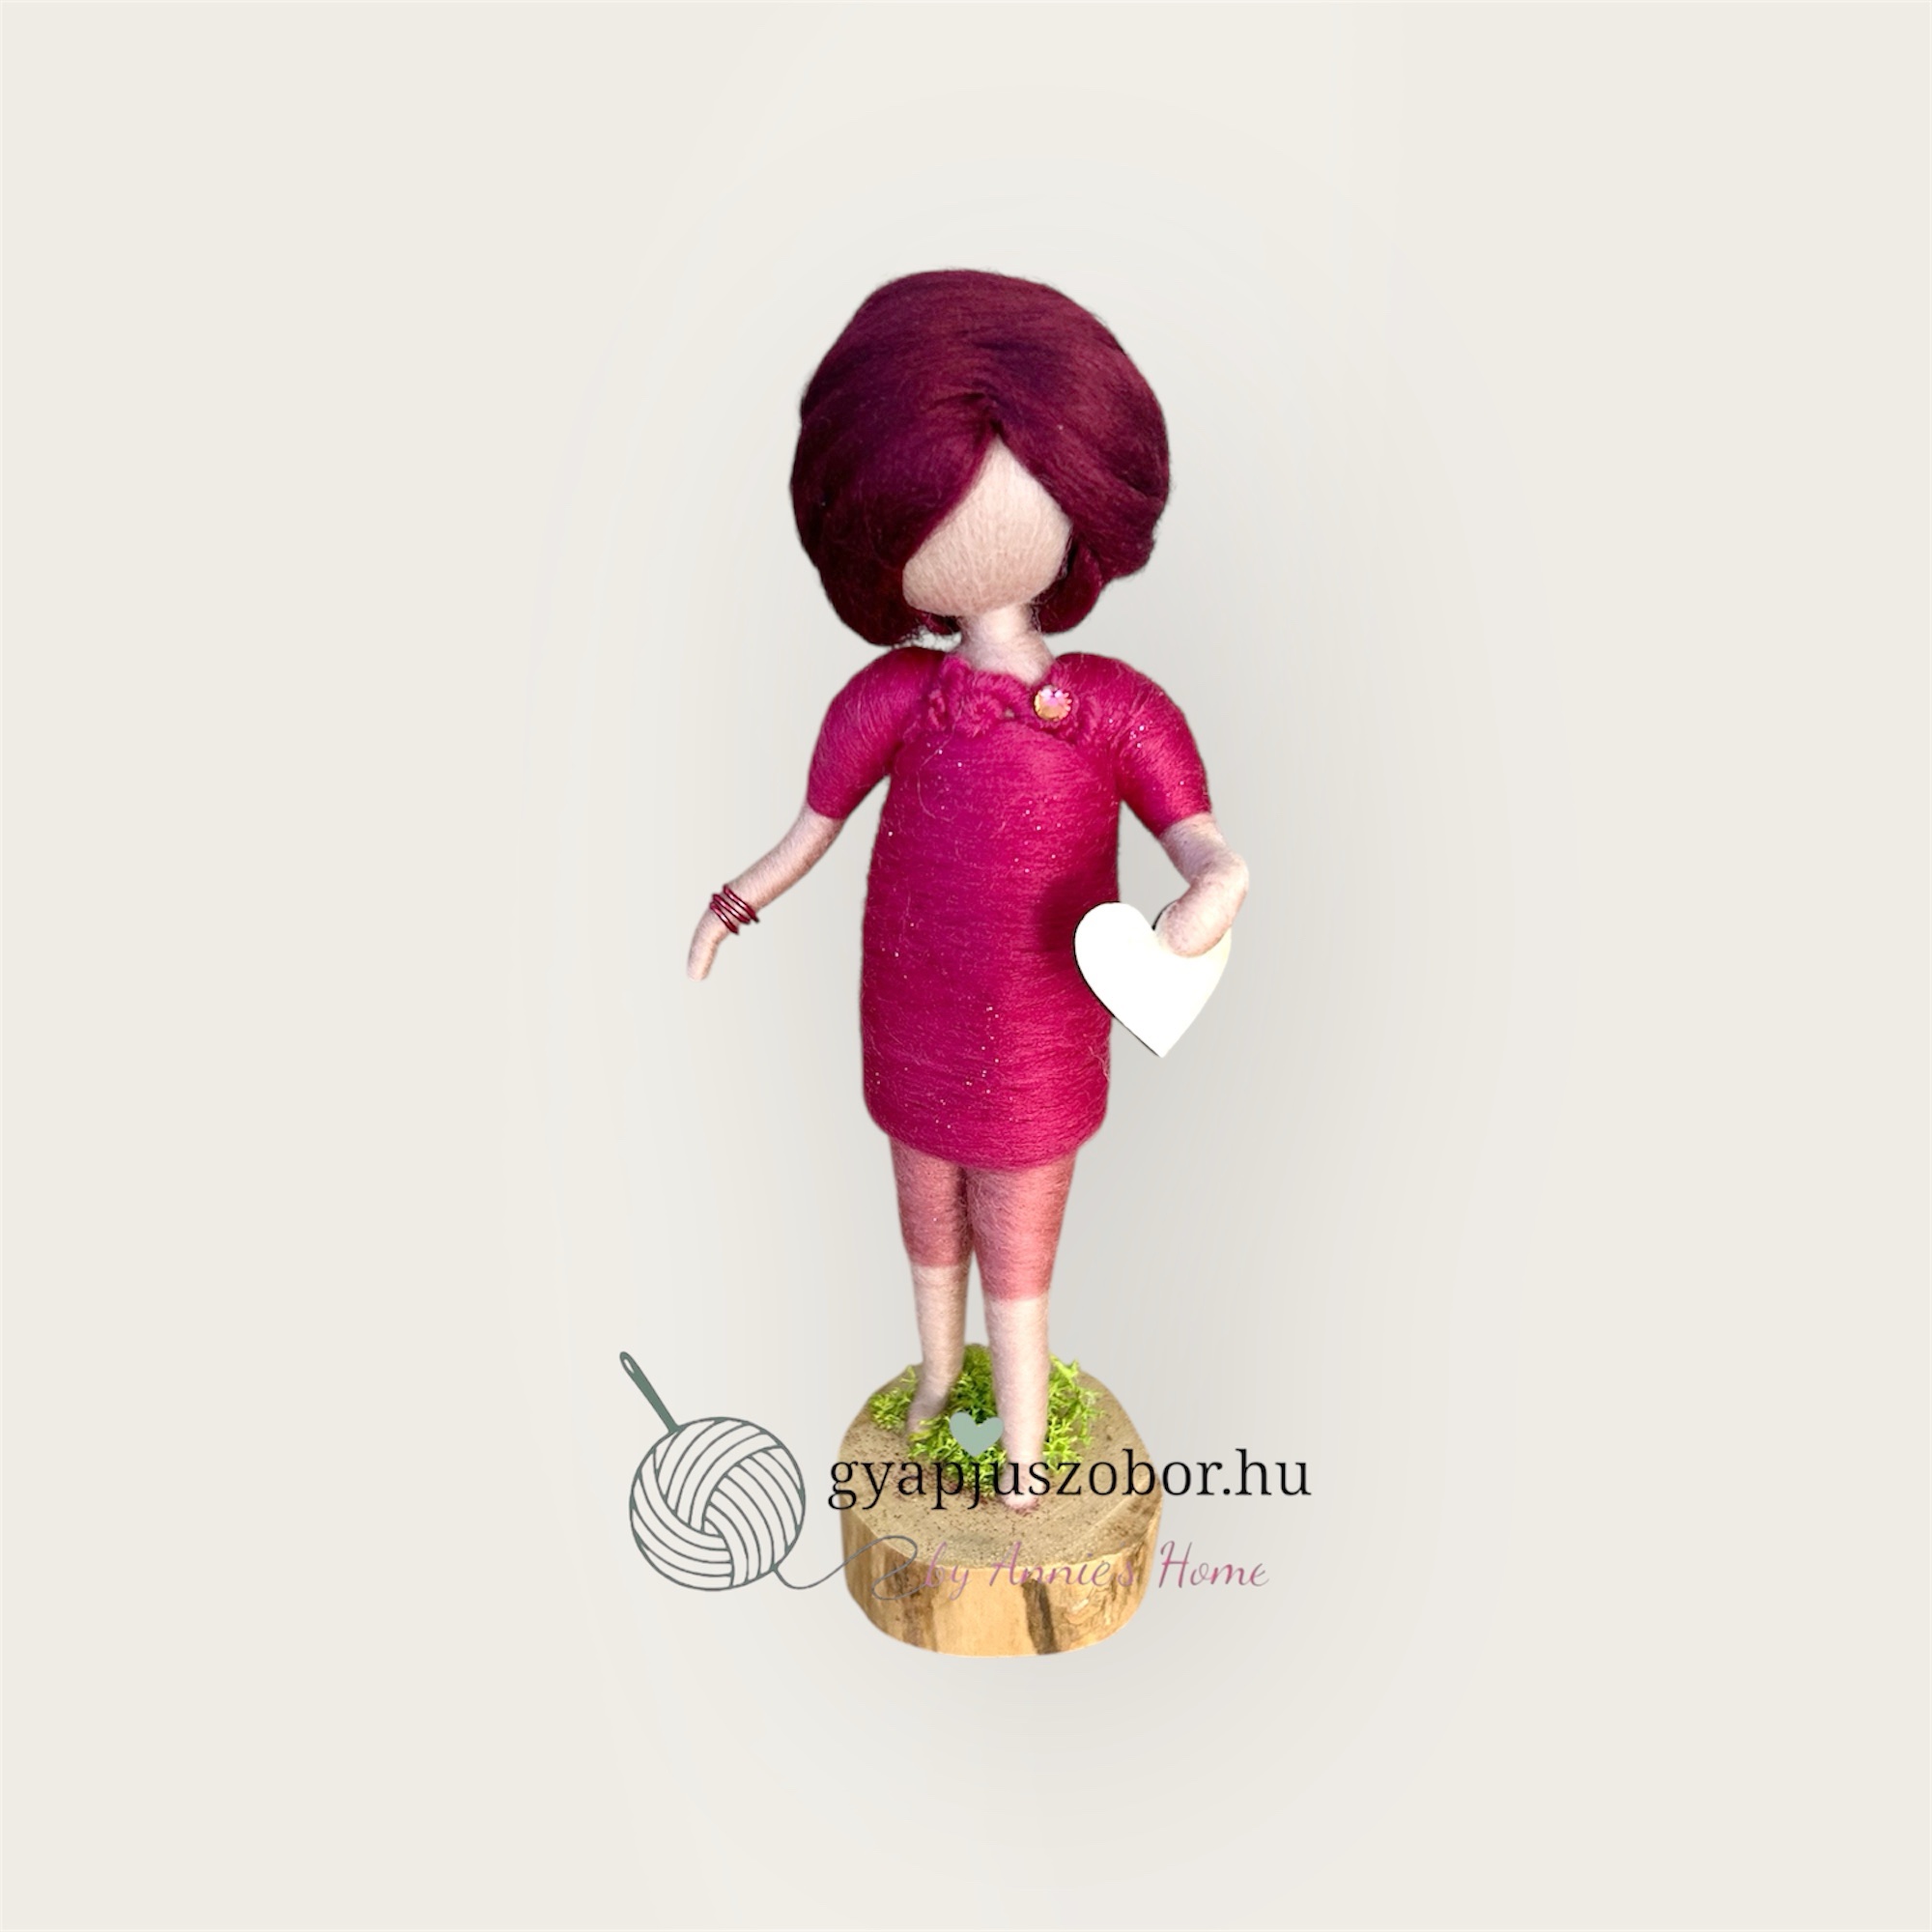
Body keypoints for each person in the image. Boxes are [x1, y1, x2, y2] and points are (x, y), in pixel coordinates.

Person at [688, 270, 1248, 1510]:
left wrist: (1215, 891)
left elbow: (1201, 841)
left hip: (1039, 1033)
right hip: (910, 1019)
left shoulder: (1111, 711)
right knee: (923, 1213)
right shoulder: (891, 701)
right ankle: (941, 1383)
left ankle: (1025, 1440)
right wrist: (730, 905)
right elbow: (808, 831)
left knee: (1019, 1238)